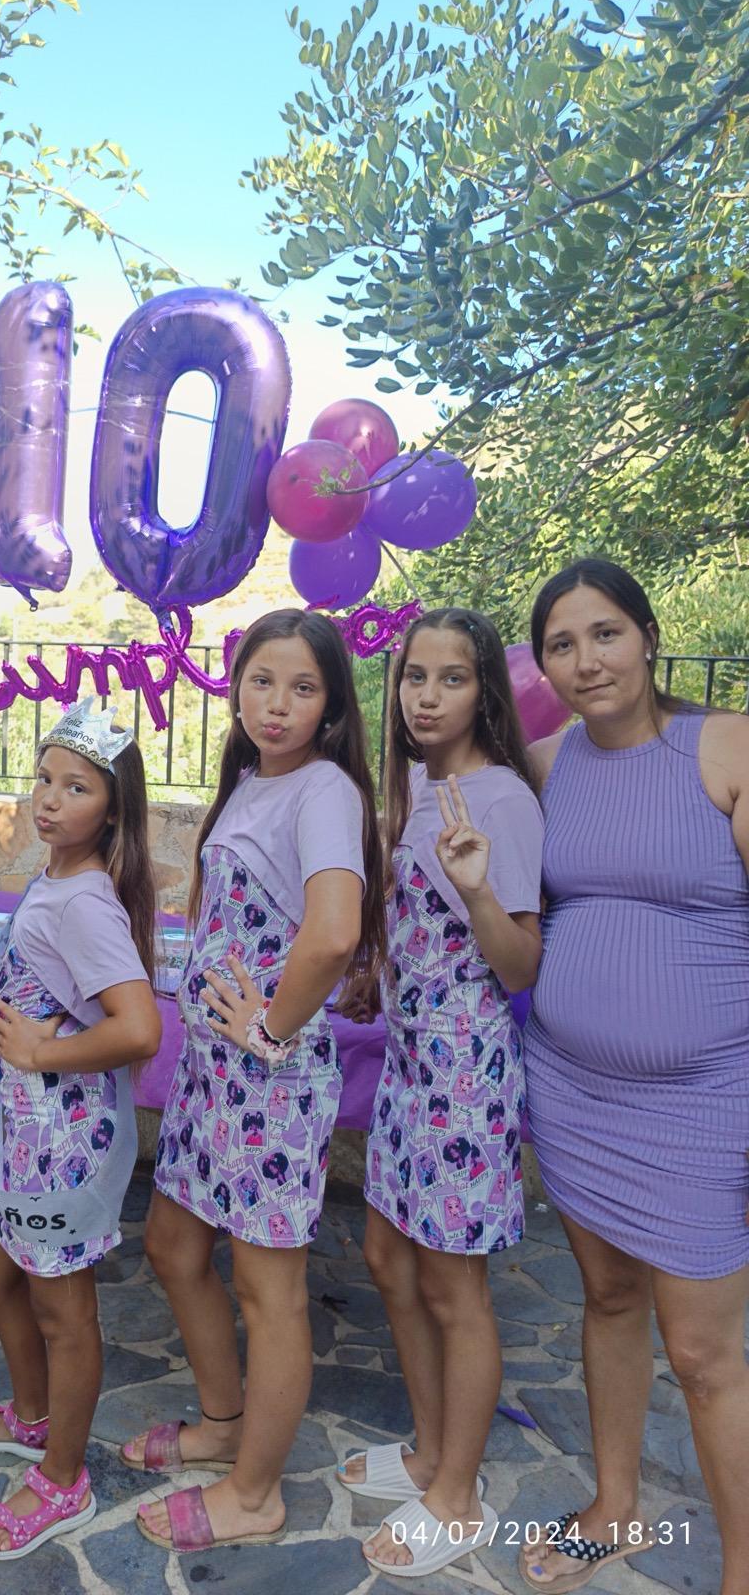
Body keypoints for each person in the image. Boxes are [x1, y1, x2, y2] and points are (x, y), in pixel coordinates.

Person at [124, 607, 387, 1554]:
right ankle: (226, 1422)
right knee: (172, 1244)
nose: (277, 704)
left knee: (268, 1290)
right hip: (212, 1076)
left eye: (304, 688)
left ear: (331, 708)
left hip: (269, 1077)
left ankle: (257, 1490)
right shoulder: (251, 781)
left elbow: (332, 931)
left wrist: (270, 1028)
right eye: (262, 681)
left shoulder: (322, 790)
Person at [516, 560, 749, 1593]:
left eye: (604, 634)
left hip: (704, 1100)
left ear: (649, 637)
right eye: (561, 644)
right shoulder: (545, 764)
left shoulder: (728, 747)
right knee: (606, 1295)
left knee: (701, 1355)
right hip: (571, 1088)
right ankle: (612, 1506)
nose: (585, 660)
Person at [338, 609, 543, 1576]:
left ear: (484, 692)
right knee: (387, 1254)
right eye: (413, 677)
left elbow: (520, 963)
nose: (425, 696)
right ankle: (427, 1452)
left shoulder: (499, 798)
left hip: (467, 1074)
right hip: (412, 1064)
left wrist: (476, 896)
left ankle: (457, 1498)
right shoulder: (421, 786)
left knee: (455, 1288)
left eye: (450, 679)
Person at [0, 698, 162, 1561]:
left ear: (111, 808)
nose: (49, 799)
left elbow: (138, 1028)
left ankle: (63, 1476)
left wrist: (43, 1048)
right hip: (27, 1134)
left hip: (57, 1141)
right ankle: (32, 1419)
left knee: (63, 1310)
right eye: (44, 778)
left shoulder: (85, 904)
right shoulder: (59, 879)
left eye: (76, 787)